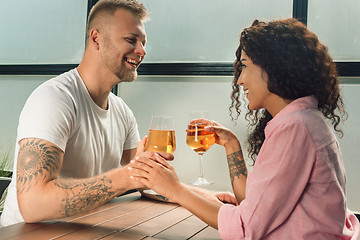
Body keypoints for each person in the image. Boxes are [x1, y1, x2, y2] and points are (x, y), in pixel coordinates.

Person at [128, 18, 360, 239]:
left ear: (275, 68)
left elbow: (246, 227)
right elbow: (254, 205)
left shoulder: (296, 128)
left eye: (245, 67)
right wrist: (231, 145)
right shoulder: (305, 119)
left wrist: (174, 188)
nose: (239, 80)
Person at [0, 0, 172, 227]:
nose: (142, 50)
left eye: (143, 42)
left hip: (83, 230)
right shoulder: (54, 99)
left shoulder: (122, 111)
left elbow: (145, 180)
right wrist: (129, 175)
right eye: (131, 40)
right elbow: (33, 204)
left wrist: (204, 198)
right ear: (96, 38)